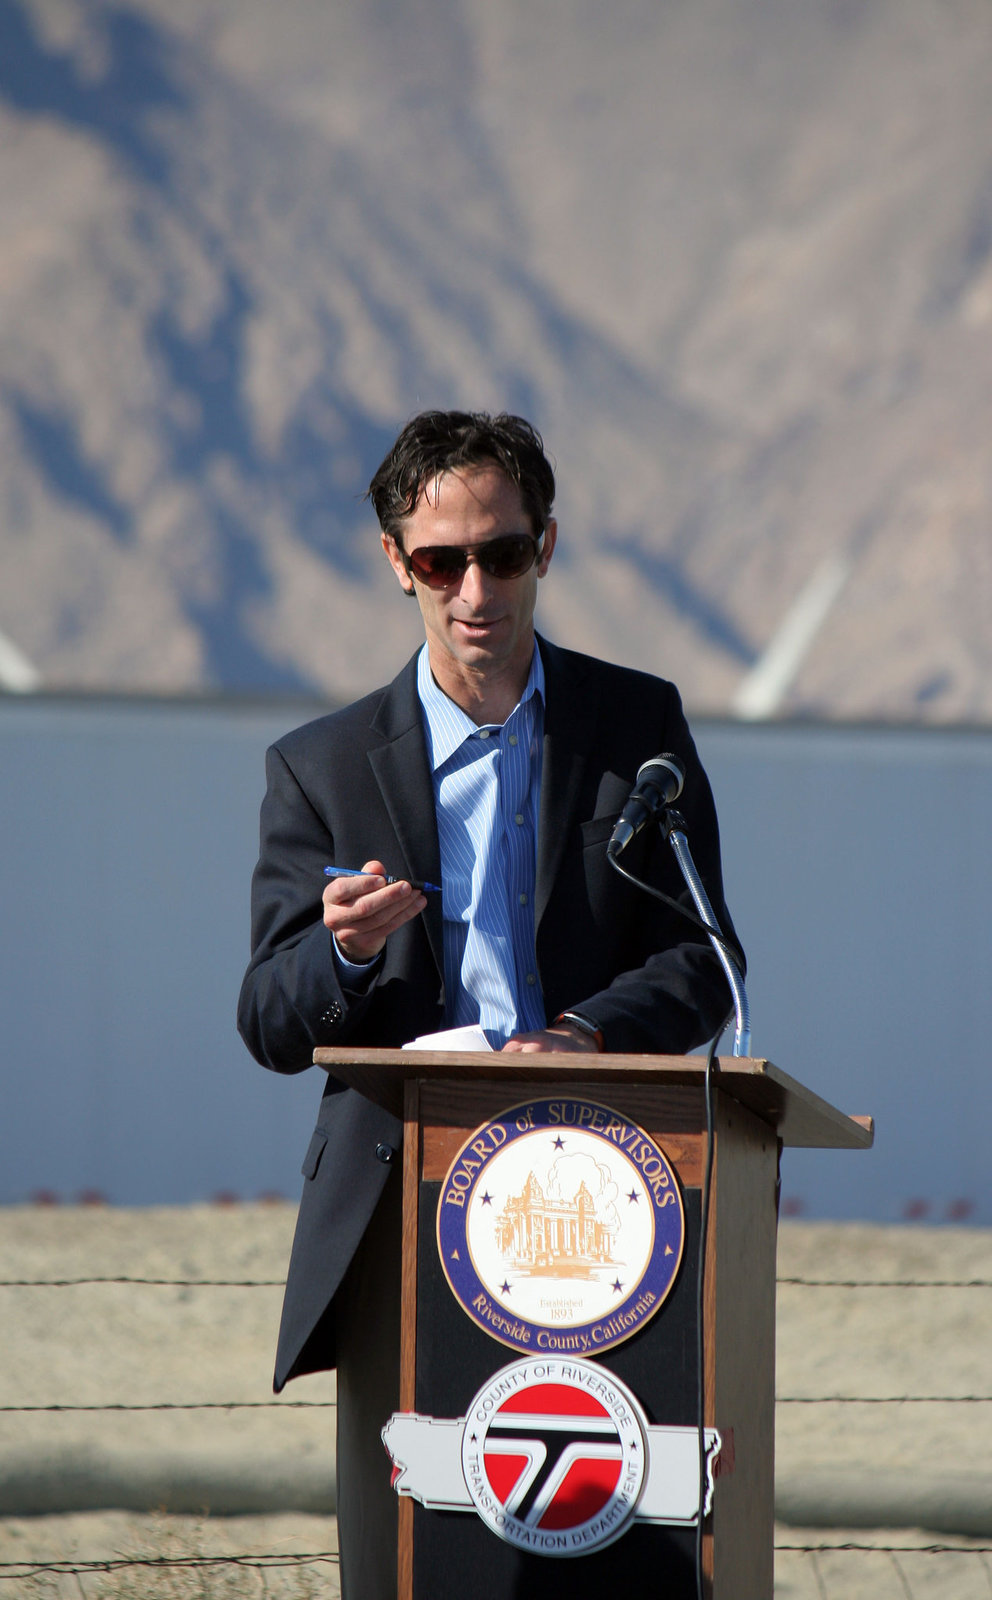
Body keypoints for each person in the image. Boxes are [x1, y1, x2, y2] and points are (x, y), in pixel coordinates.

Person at [237, 409, 742, 1598]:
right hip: (403, 1200)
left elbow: (703, 958)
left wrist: (582, 1034)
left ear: (546, 548)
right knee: (425, 1555)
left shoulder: (636, 731)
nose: (475, 588)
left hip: (608, 1192)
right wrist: (345, 959)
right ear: (394, 561)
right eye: (440, 560)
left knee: (600, 1549)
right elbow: (266, 1016)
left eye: (502, 554)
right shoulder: (318, 766)